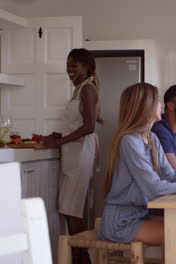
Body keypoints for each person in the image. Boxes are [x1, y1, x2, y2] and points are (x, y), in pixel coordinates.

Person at [98, 83, 176, 264]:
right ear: (145, 106)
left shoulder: (151, 138)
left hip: (139, 215)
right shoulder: (130, 142)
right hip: (121, 222)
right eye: (157, 101)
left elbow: (171, 175)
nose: (160, 105)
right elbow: (154, 187)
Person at [39, 48, 103, 264]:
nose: (69, 69)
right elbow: (77, 124)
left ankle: (81, 258)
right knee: (70, 209)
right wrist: (56, 135)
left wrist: (60, 141)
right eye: (68, 65)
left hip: (80, 155)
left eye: (73, 65)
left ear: (86, 67)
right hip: (74, 154)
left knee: (72, 210)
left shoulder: (88, 89)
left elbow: (90, 126)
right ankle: (80, 257)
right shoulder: (79, 90)